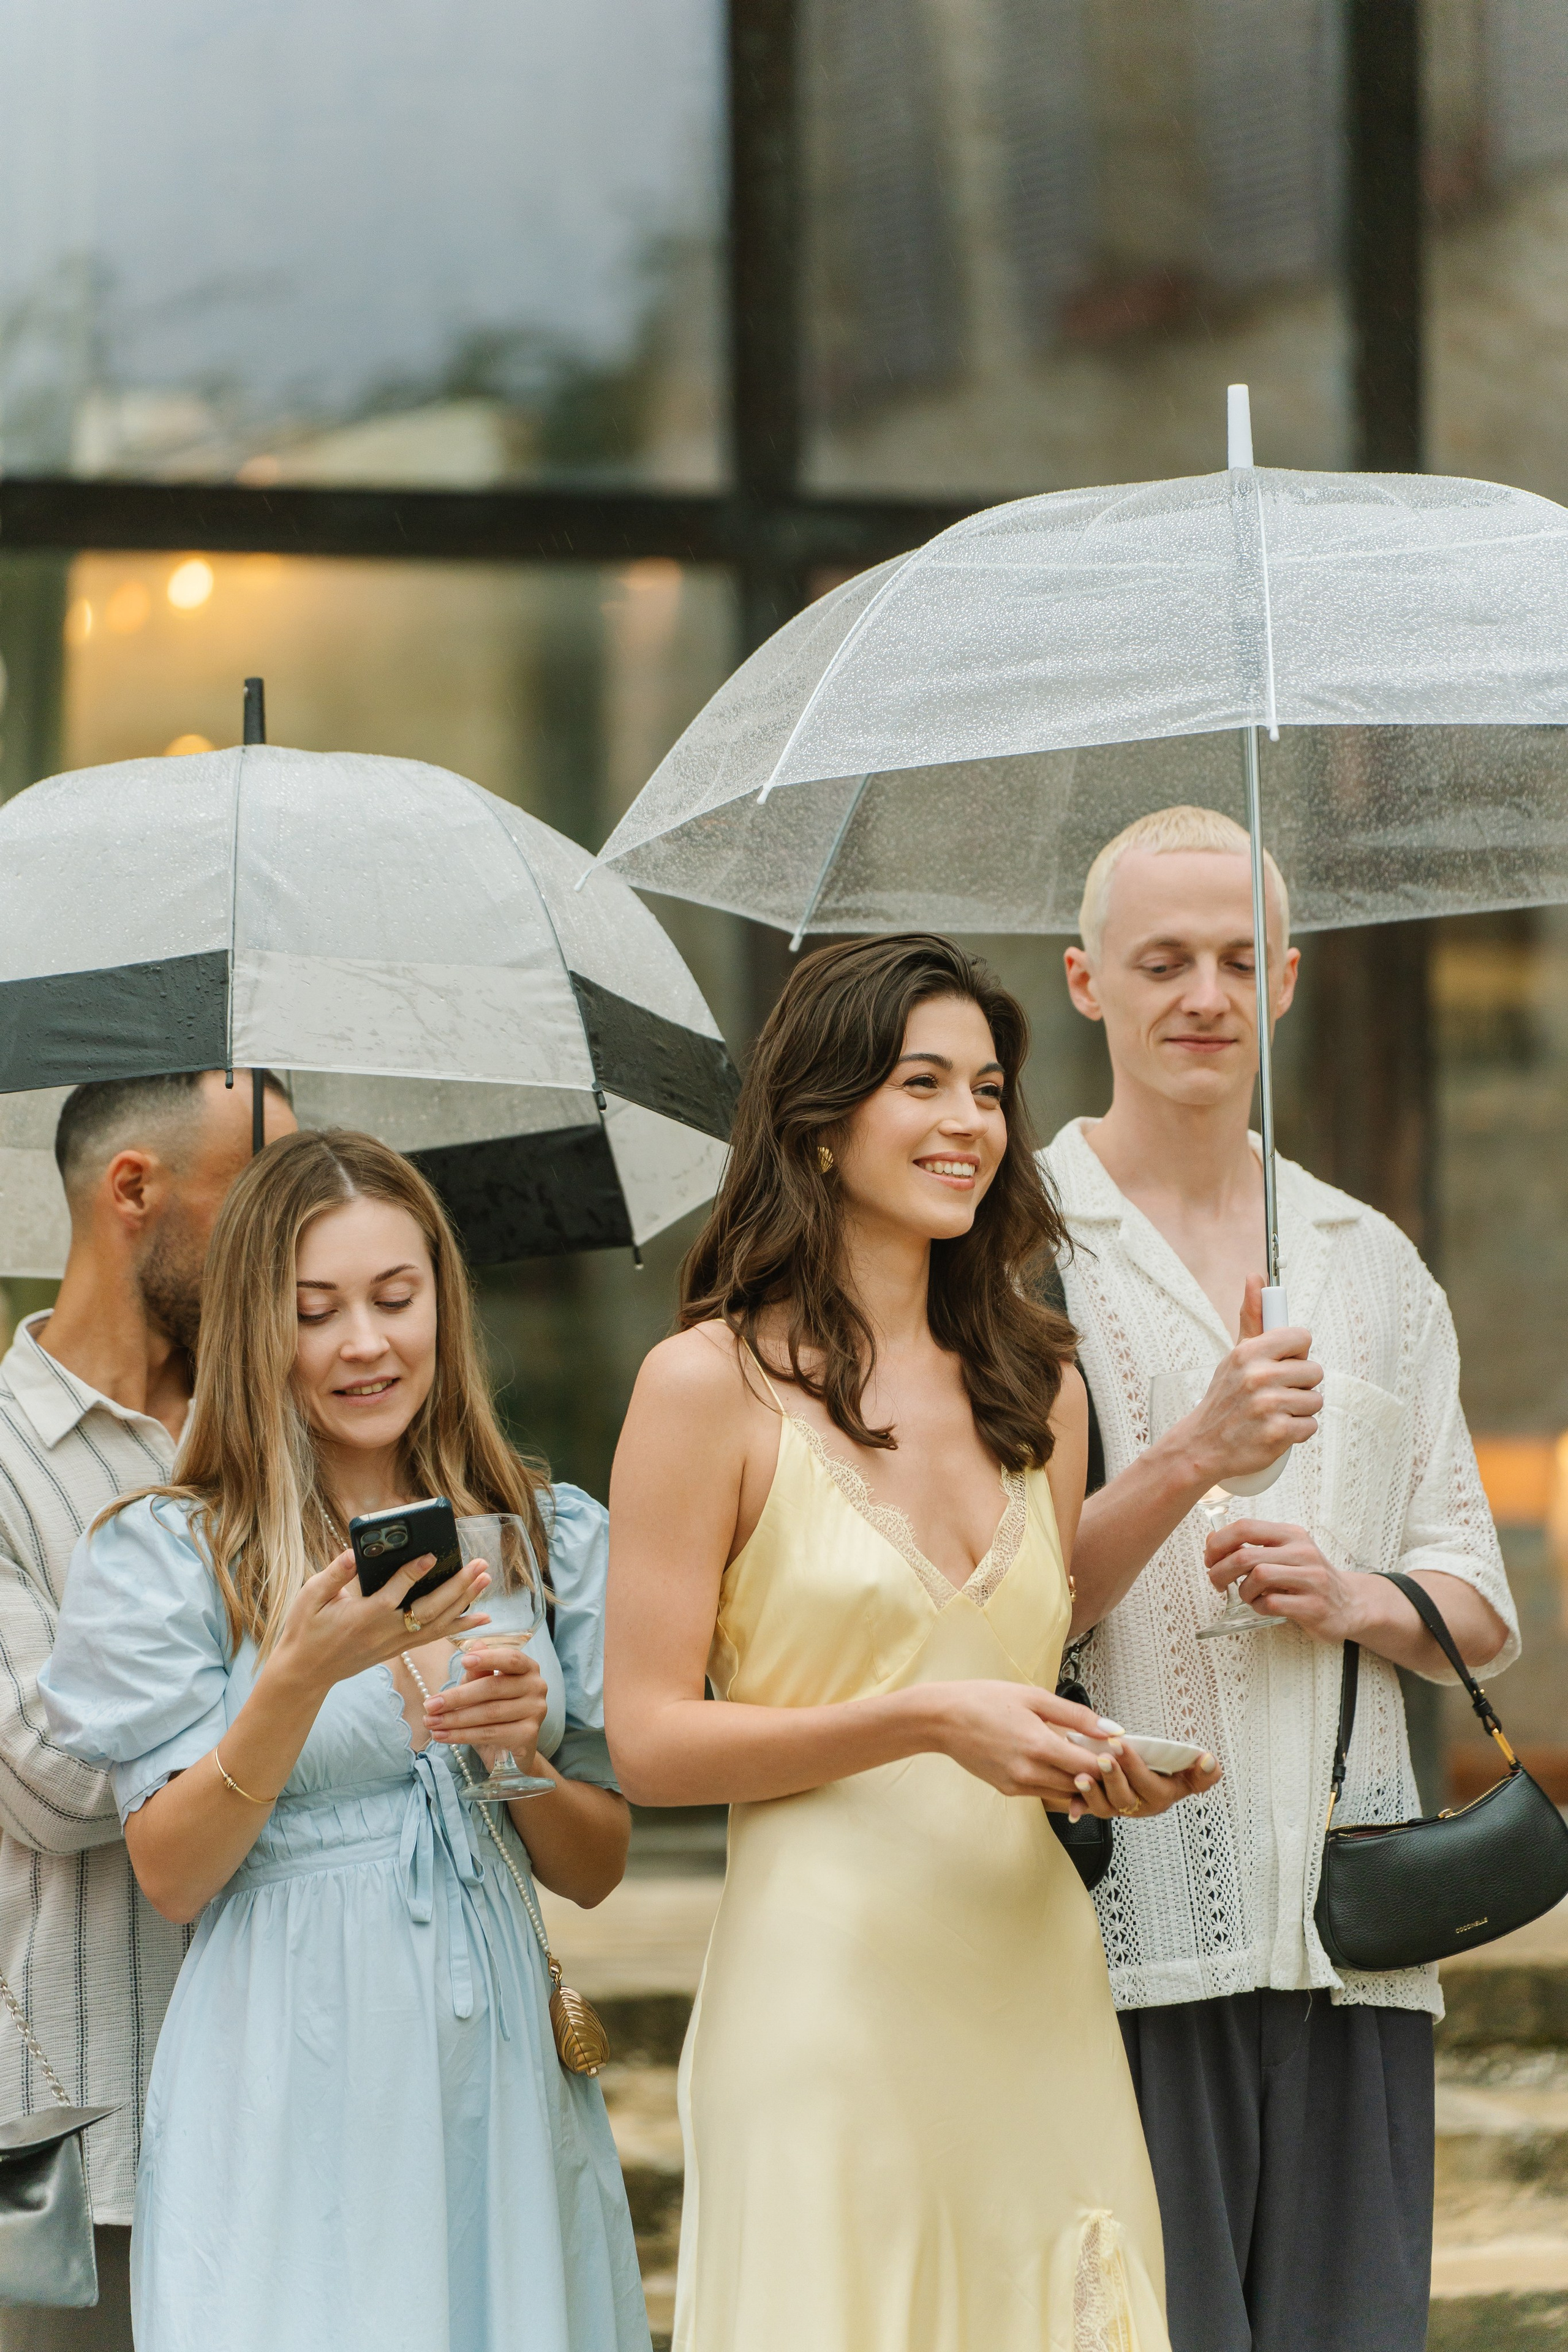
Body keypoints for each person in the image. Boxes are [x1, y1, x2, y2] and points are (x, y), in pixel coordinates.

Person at [606, 933, 1220, 2352]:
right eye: (920, 1083)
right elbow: (644, 1740)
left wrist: (1092, 1761)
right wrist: (926, 1718)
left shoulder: (1038, 1374)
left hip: (1036, 1978)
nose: (966, 1123)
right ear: (819, 1125)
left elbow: (1030, 1642)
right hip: (826, 1992)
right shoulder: (705, 1386)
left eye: (989, 1089)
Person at [39, 1128, 647, 2352]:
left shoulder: (537, 1537)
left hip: (494, 2070)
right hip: (288, 2052)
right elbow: (172, 1872)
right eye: (316, 1311)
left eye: (394, 1298)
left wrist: (515, 1754)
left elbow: (594, 1866)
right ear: (258, 1327)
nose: (365, 1343)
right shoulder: (172, 1552)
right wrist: (298, 1681)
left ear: (443, 1302)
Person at [1044, 806, 1520, 2352]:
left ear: (1291, 980)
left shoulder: (1368, 1259)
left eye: (1239, 960)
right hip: (1111, 1942)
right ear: (1082, 983)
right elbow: (979, 1603)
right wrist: (1184, 1455)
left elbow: (1479, 1604)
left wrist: (1355, 1595)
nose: (1204, 995)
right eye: (1162, 960)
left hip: (1352, 1941)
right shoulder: (1016, 1250)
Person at [0, 1067, 295, 2352]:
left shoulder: (298, 1430)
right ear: (136, 1191)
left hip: (312, 2117)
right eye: (264, 1197)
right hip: (92, 2149)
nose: (300, 1234)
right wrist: (293, 1675)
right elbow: (53, 1790)